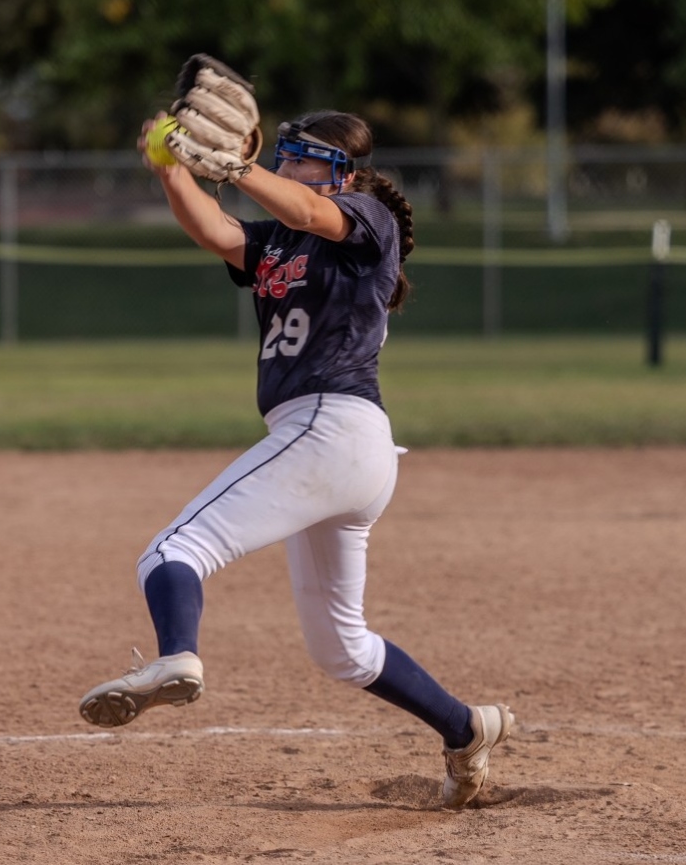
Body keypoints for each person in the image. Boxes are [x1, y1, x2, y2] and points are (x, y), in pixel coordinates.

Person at [77, 56, 514, 810]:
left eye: (298, 157)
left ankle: (177, 656)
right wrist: (170, 168)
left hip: (329, 424)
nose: (284, 165)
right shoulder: (280, 241)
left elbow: (313, 214)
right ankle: (467, 728)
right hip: (344, 449)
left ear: (340, 171)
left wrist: (237, 167)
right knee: (342, 648)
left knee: (172, 552)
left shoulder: (365, 218)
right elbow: (216, 230)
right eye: (281, 155)